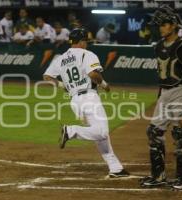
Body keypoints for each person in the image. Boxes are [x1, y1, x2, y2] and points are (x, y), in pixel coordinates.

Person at [43, 28, 130, 178]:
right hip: (89, 97)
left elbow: (47, 76)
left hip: (74, 101)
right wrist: (104, 84)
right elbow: (93, 74)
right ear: (82, 41)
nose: (87, 44)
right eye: (86, 41)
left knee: (99, 134)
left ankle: (115, 168)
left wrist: (63, 86)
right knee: (101, 132)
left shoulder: (61, 58)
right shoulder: (87, 54)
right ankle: (71, 131)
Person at [139, 6, 182, 190]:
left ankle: (181, 178)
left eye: (164, 24)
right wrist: (160, 99)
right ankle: (158, 176)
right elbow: (162, 77)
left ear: (174, 25)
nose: (161, 28)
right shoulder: (158, 46)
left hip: (181, 92)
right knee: (153, 132)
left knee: (180, 134)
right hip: (165, 94)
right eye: (159, 25)